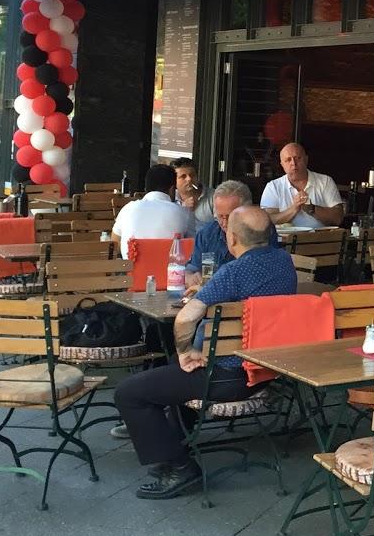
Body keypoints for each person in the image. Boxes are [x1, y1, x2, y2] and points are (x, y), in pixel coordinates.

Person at [115, 205, 297, 499]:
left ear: (233, 238)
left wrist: (186, 352)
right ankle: (175, 445)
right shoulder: (284, 262)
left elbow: (186, 317)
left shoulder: (233, 272)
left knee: (129, 393)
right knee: (173, 370)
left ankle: (180, 467)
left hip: (228, 377)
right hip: (266, 369)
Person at [183, 179, 281, 291]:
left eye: (230, 217)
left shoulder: (261, 231)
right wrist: (190, 277)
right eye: (220, 216)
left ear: (247, 211)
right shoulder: (207, 234)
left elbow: (264, 276)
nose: (224, 224)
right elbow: (191, 269)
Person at [111, 163, 194, 260]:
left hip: (131, 273)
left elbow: (114, 243)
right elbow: (193, 247)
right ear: (172, 189)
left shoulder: (128, 209)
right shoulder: (183, 213)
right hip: (171, 274)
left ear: (146, 188)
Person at [260, 142, 344, 229]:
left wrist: (311, 208)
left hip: (319, 239)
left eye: (298, 158)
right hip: (284, 240)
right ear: (282, 165)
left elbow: (338, 218)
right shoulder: (273, 187)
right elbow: (267, 220)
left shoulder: (325, 181)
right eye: (288, 160)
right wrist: (294, 208)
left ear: (306, 159)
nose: (293, 163)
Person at [173, 157, 214, 235]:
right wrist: (184, 209)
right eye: (183, 176)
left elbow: (220, 228)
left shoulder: (213, 197)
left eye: (192, 175)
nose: (189, 179)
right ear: (174, 181)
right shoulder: (170, 199)